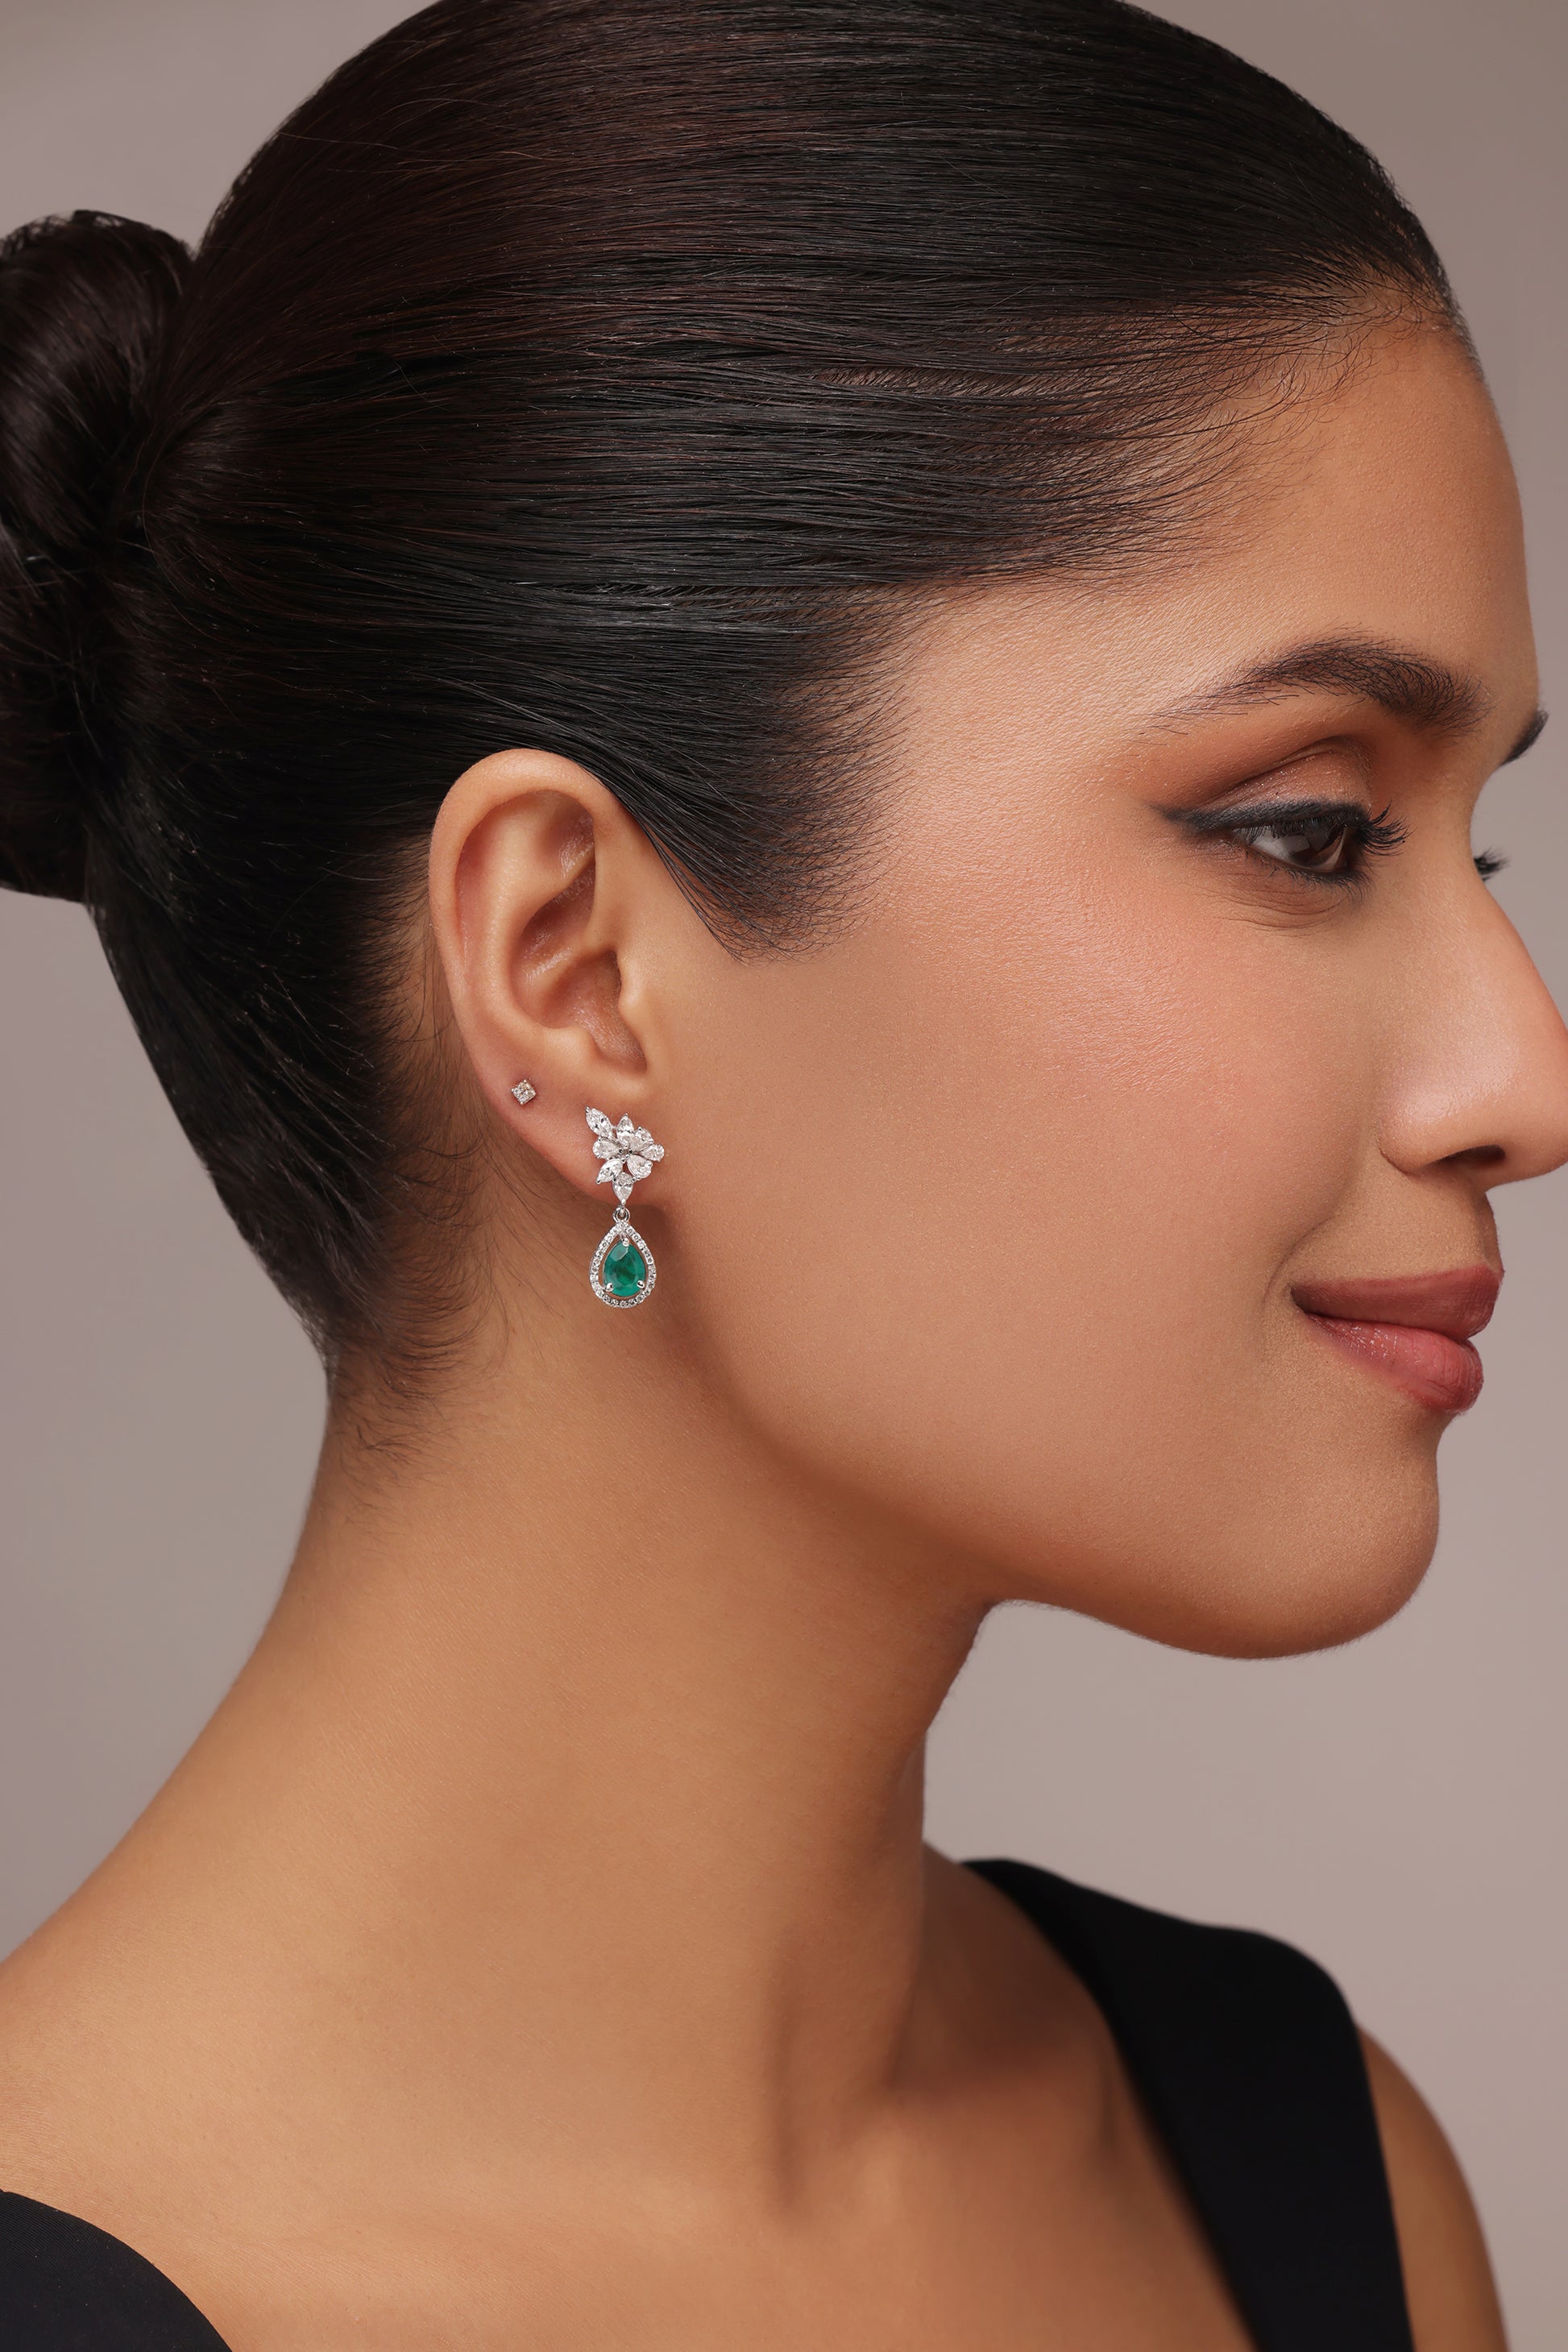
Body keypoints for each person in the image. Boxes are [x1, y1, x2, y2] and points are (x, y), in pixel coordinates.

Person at [1, 1, 1563, 2343]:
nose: (1519, 1075)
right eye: (1308, 832)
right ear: (576, 968)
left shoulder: (1302, 2169)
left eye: (1483, 847)